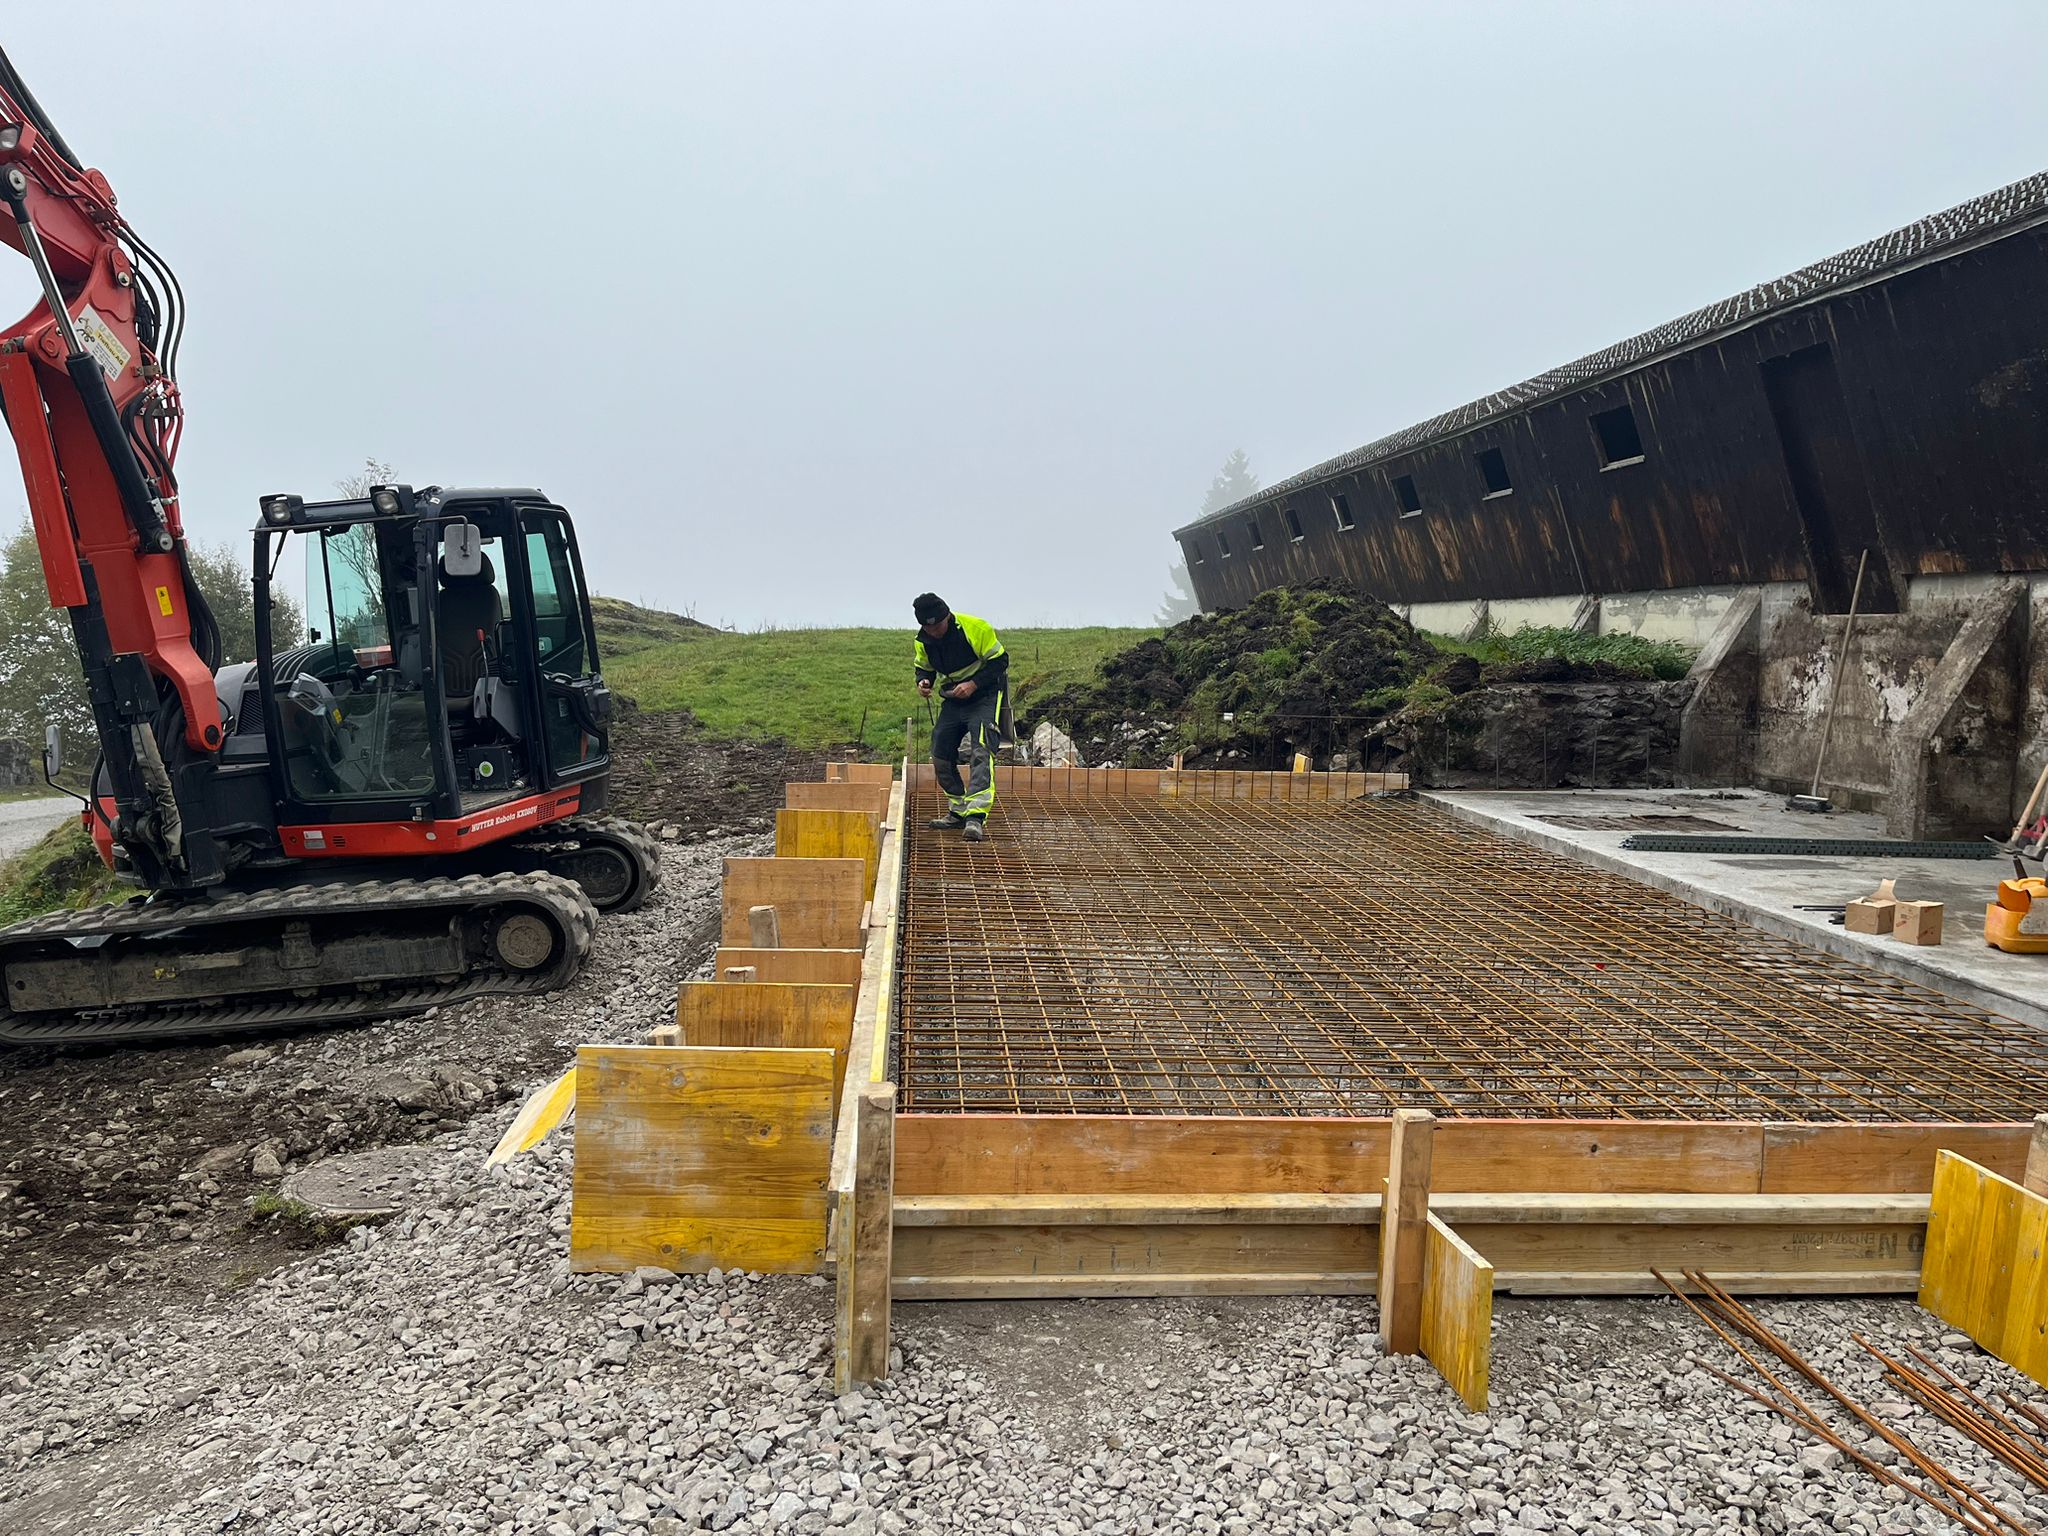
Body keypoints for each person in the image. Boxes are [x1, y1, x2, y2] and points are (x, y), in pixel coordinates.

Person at [913, 592, 1006, 842]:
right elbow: (923, 666)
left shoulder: (976, 628)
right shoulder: (923, 641)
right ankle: (958, 811)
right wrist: (923, 681)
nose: (934, 632)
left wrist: (973, 684)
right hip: (954, 698)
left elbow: (1000, 661)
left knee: (981, 749)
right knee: (940, 752)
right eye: (928, 628)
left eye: (938, 626)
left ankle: (975, 817)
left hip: (985, 695)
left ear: (948, 617)